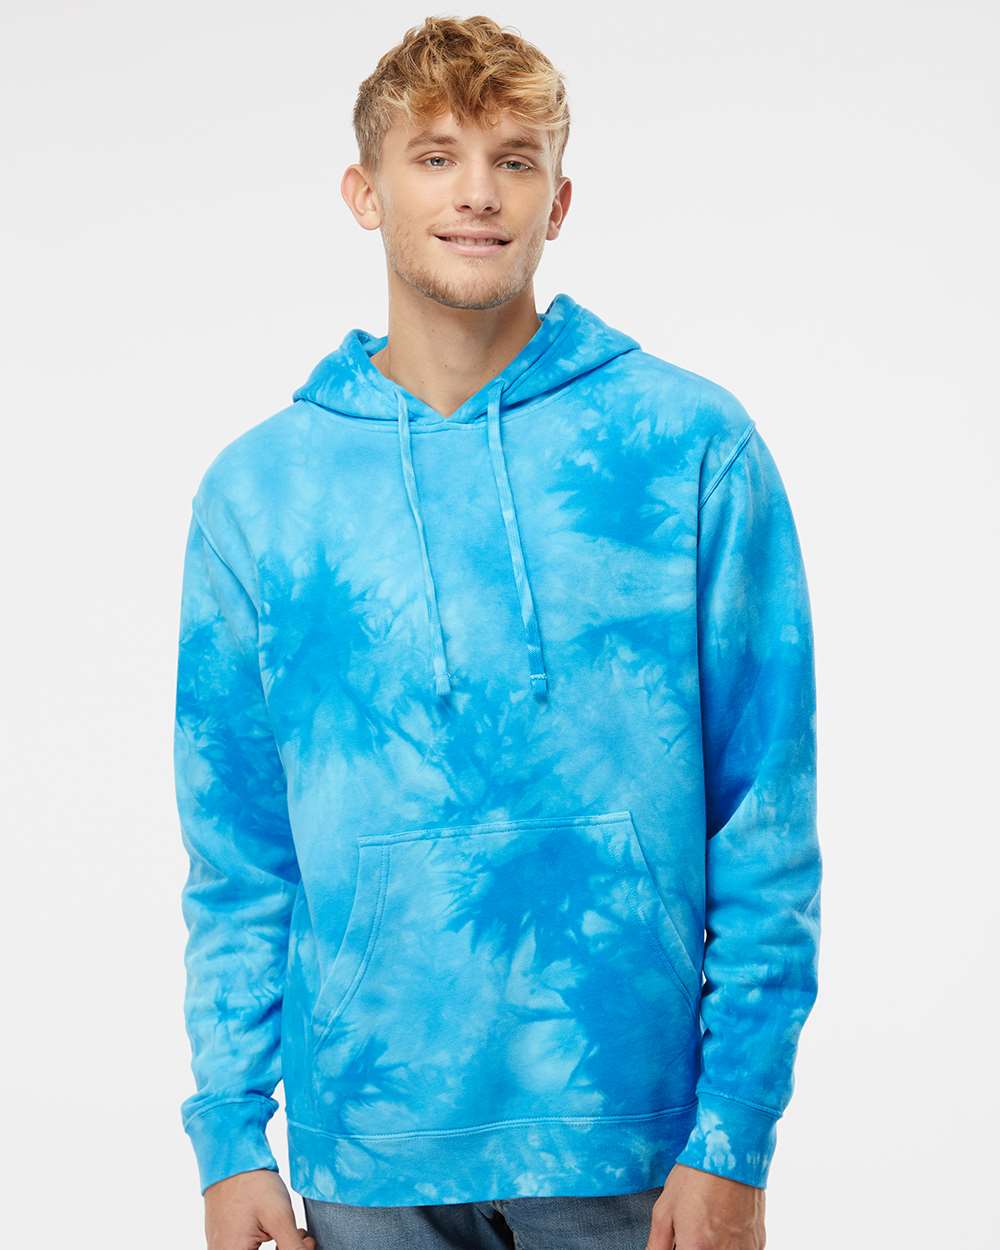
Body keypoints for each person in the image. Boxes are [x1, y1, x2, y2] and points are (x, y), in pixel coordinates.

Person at [173, 14, 822, 1250]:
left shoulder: (687, 445)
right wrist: (228, 1133)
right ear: (364, 192)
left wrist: (736, 1128)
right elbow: (239, 850)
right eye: (436, 156)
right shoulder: (261, 492)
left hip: (637, 1139)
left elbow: (766, 820)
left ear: (557, 200)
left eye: (513, 160)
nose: (477, 192)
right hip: (369, 1149)